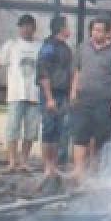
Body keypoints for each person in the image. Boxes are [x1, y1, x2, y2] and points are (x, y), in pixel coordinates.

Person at [69, 17, 111, 180]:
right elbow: (77, 71)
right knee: (80, 136)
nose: (97, 33)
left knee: (101, 137)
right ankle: (78, 172)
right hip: (83, 99)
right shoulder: (83, 47)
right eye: (94, 30)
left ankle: (98, 172)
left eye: (100, 30)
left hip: (105, 101)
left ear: (108, 32)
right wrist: (73, 91)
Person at [0, 14, 41, 173]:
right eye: (22, 26)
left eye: (28, 26)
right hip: (16, 93)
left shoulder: (40, 46)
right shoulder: (11, 44)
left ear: (34, 28)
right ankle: (11, 162)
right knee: (12, 129)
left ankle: (24, 161)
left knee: (31, 130)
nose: (24, 29)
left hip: (34, 94)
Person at [36, 16, 74, 179]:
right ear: (61, 28)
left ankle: (55, 165)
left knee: (60, 130)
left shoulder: (66, 48)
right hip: (51, 94)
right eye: (67, 26)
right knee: (49, 129)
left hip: (63, 94)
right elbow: (43, 73)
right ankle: (47, 165)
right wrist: (49, 98)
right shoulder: (48, 47)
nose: (69, 29)